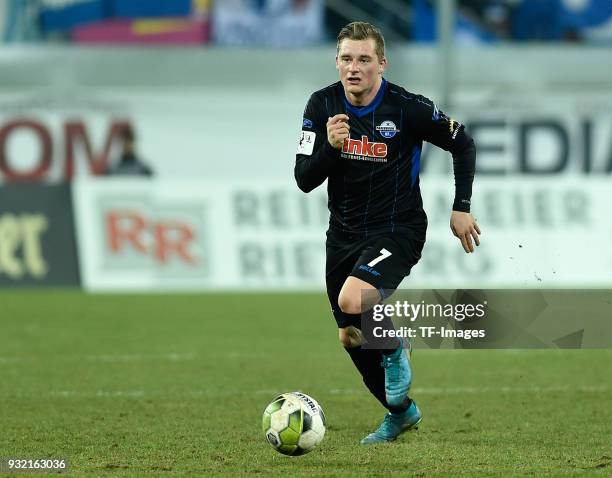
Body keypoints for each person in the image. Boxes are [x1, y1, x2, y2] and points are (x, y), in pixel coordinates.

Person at [294, 21, 480, 444]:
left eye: (363, 59)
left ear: (382, 63)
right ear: (336, 61)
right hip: (342, 235)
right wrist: (330, 148)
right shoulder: (321, 105)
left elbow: (462, 142)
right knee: (350, 335)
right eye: (346, 58)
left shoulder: (407, 107)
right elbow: (304, 178)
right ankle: (400, 413)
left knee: (353, 298)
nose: (353, 68)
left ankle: (395, 349)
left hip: (398, 228)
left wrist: (461, 206)